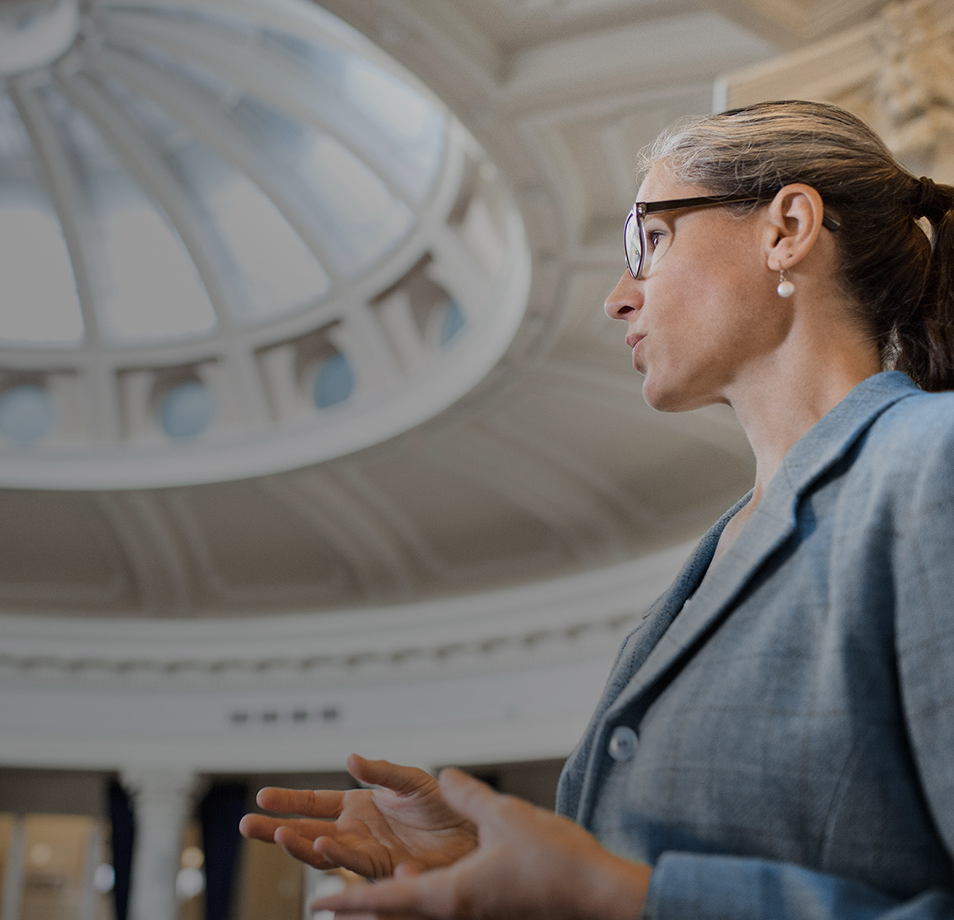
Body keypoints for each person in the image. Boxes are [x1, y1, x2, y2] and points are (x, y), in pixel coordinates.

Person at [239, 100, 954, 919]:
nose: (619, 298)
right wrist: (497, 867)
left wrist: (617, 896)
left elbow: (636, 895)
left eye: (650, 241)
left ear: (787, 227)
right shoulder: (709, 562)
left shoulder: (932, 465)